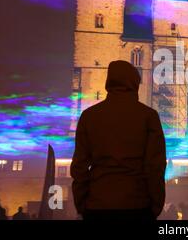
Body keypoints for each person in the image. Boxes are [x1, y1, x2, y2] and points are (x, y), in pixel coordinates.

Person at [71, 60, 166, 220]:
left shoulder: (89, 116)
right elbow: (155, 167)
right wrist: (155, 206)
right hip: (137, 205)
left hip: (97, 205)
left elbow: (79, 167)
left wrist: (82, 205)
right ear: (134, 83)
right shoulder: (148, 116)